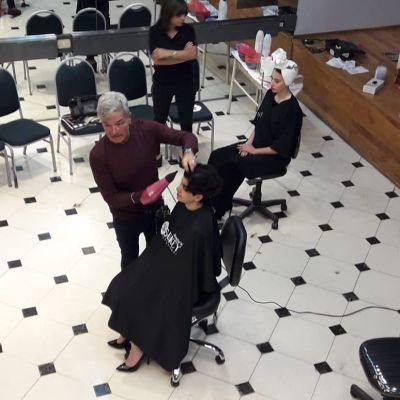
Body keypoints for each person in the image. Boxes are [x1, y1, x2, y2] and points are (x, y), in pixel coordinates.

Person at [102, 164, 223, 372]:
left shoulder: (200, 228)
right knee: (127, 282)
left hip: (185, 280)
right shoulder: (183, 206)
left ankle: (138, 347)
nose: (177, 189)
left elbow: (198, 268)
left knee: (147, 299)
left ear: (198, 196)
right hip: (167, 263)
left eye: (184, 187)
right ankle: (127, 332)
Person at [89, 91, 198, 269]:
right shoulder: (98, 155)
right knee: (129, 259)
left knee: (158, 257)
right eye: (107, 125)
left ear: (129, 118)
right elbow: (110, 197)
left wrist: (189, 152)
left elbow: (187, 137)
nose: (114, 131)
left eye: (119, 123)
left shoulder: (146, 130)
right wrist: (139, 196)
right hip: (125, 217)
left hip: (154, 211)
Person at [208, 53, 303, 220]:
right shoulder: (270, 95)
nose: (272, 83)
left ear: (287, 82)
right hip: (256, 144)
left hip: (274, 156)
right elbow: (259, 123)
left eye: (277, 81)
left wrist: (253, 151)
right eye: (272, 79)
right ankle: (208, 200)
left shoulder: (293, 111)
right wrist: (248, 144)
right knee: (217, 156)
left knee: (234, 164)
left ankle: (221, 208)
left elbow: (281, 148)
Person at [149, 0, 197, 166]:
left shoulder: (188, 30)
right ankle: (155, 154)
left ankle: (187, 154)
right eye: (179, 15)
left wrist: (167, 54)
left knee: (186, 120)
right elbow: (157, 60)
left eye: (184, 14)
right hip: (162, 83)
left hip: (185, 82)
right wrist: (182, 53)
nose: (183, 18)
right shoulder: (155, 31)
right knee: (159, 120)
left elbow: (192, 55)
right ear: (168, 14)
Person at [76, 0, 110, 72]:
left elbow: (78, 16)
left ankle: (90, 60)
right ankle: (105, 57)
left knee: (86, 18)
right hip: (103, 33)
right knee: (102, 18)